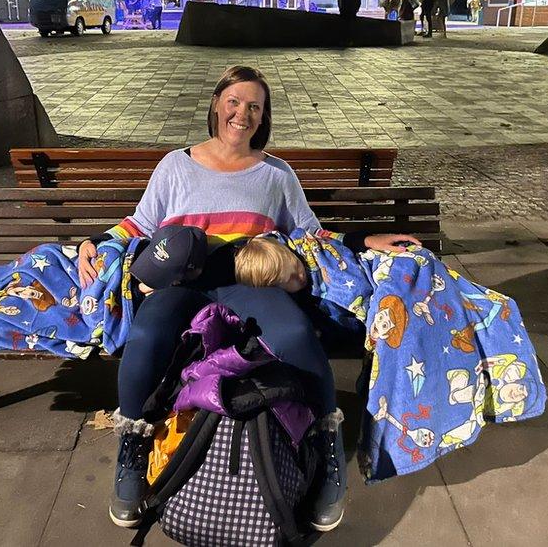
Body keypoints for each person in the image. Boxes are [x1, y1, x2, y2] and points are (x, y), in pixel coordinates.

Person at [76, 65, 421, 532]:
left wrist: (364, 240)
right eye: (235, 102)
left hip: (251, 280)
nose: (243, 113)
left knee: (296, 334)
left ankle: (327, 445)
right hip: (184, 282)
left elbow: (310, 232)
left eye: (254, 106)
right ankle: (133, 448)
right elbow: (139, 223)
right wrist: (94, 241)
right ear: (217, 105)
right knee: (147, 335)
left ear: (263, 118)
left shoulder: (276, 173)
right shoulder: (175, 165)